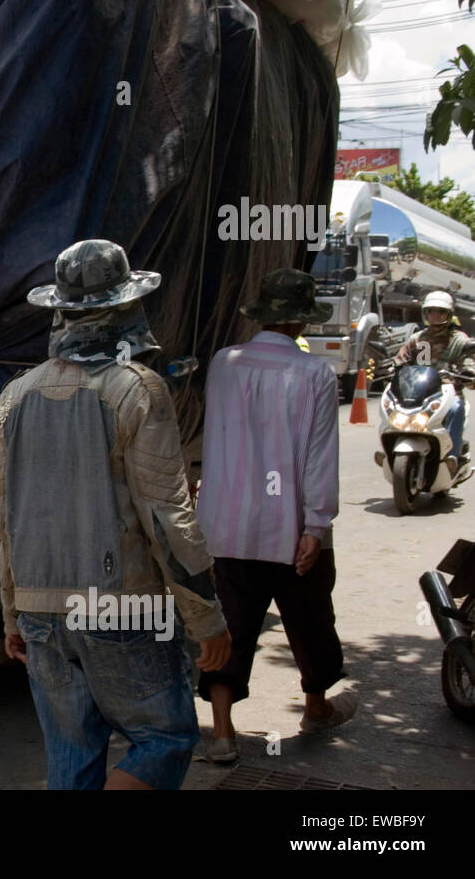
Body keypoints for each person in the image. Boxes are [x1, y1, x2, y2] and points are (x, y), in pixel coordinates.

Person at [0, 239, 231, 790]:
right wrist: (206, 616)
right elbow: (168, 514)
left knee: (72, 757)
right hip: (119, 606)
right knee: (166, 737)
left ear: (60, 311)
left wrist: (12, 612)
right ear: (128, 308)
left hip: (40, 608)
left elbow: (6, 519)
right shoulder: (138, 388)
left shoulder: (14, 396)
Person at [197, 267, 356, 763]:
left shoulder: (225, 363)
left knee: (230, 625)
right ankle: (316, 706)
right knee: (309, 620)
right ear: (302, 323)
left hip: (227, 527)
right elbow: (319, 455)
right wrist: (316, 524)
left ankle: (222, 732)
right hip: (290, 530)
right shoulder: (315, 374)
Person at [394, 290, 475, 461]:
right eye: (431, 311)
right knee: (394, 409)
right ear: (425, 314)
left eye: (441, 311)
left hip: (447, 394)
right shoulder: (417, 338)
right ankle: (390, 451)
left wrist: (469, 373)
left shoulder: (459, 340)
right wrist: (391, 371)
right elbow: (401, 361)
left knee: (456, 408)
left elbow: (469, 361)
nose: (436, 315)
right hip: (419, 393)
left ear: (449, 314)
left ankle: (451, 457)